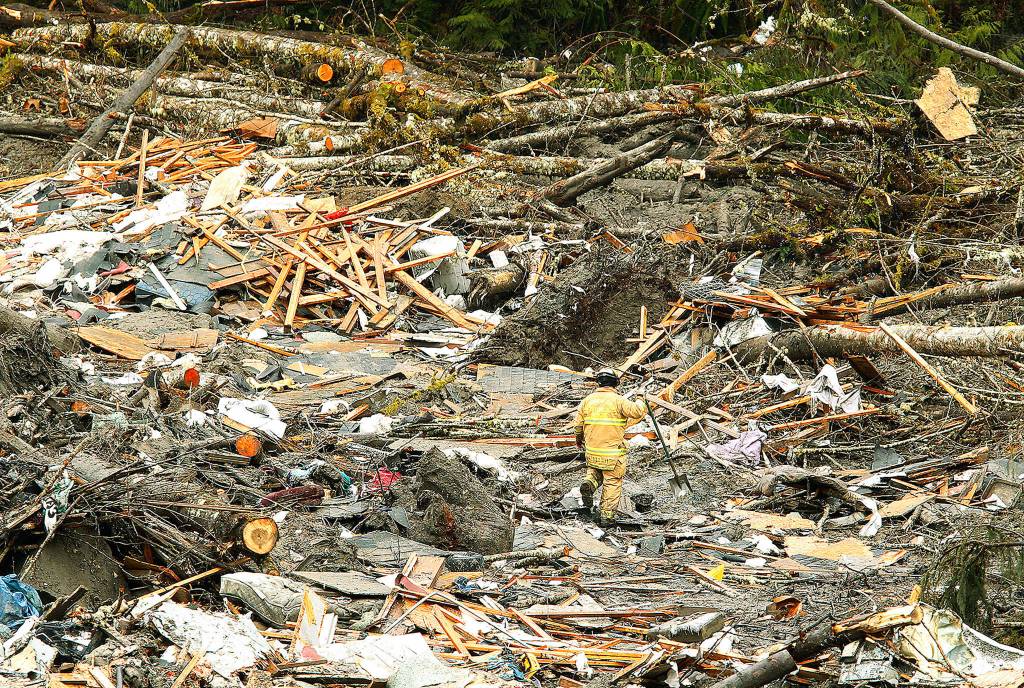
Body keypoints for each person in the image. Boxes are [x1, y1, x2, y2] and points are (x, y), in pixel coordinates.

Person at [574, 368, 647, 524]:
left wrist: (578, 440)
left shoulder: (587, 401)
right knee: (612, 482)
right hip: (612, 454)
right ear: (615, 383)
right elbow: (638, 412)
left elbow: (578, 425)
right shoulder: (619, 400)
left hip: (592, 451)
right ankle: (607, 517)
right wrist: (641, 396)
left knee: (595, 471)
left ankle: (590, 483)